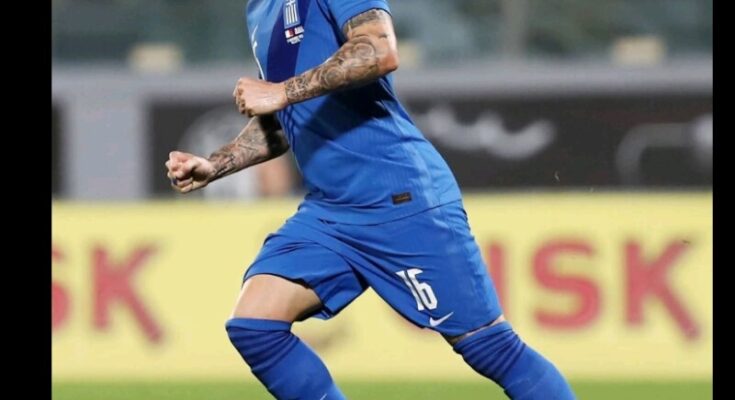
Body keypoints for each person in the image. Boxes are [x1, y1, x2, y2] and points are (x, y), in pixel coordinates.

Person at [165, 1, 576, 399]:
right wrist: (215, 165)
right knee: (255, 325)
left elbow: (379, 50)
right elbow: (282, 120)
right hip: (331, 212)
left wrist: (281, 92)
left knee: (491, 348)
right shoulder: (260, 9)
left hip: (398, 196)